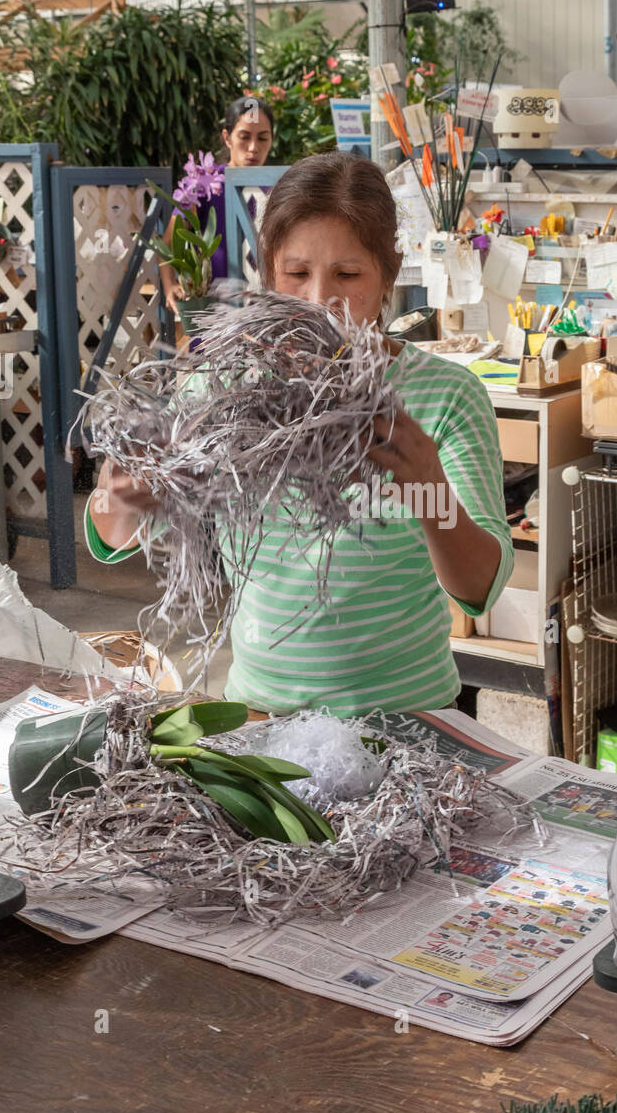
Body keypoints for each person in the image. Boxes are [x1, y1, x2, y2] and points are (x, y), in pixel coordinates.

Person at [87, 151, 514, 716]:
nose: (319, 301)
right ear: (267, 273)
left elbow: (480, 588)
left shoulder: (444, 397)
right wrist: (120, 492)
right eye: (296, 274)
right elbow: (112, 536)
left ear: (388, 273)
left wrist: (429, 491)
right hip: (260, 720)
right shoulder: (220, 390)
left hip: (409, 725)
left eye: (348, 274)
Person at [159, 95, 274, 314]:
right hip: (214, 314)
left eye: (262, 138)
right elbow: (167, 245)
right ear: (227, 137)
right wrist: (170, 285)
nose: (253, 148)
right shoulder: (203, 183)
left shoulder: (278, 187)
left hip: (264, 312)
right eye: (244, 137)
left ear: (272, 140)